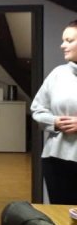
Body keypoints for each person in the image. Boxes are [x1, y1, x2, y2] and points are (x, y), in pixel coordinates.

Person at [31, 19, 77, 204]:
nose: (62, 45)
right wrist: (54, 122)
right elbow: (37, 110)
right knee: (61, 215)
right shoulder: (58, 74)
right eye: (63, 40)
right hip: (57, 159)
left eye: (69, 40)